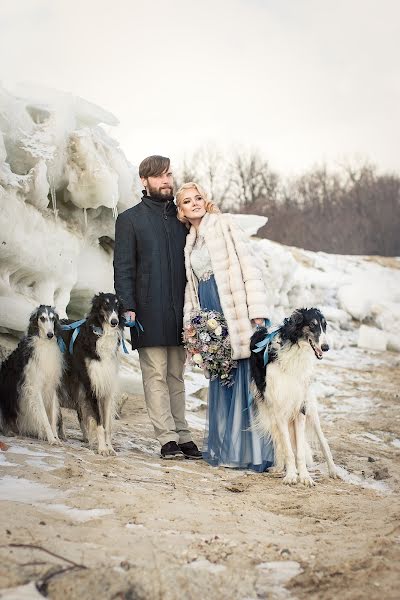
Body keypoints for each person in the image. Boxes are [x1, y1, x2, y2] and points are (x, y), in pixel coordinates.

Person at [176, 182, 274, 472]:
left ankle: (253, 453)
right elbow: (190, 291)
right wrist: (193, 330)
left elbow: (249, 267)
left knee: (246, 380)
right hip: (210, 320)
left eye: (198, 198)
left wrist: (257, 313)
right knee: (224, 378)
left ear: (206, 201)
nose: (194, 203)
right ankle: (230, 450)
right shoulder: (190, 241)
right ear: (180, 211)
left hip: (235, 312)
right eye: (187, 201)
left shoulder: (224, 225)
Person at [113, 156, 202, 460]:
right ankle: (166, 438)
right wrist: (128, 306)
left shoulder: (181, 219)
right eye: (159, 177)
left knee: (176, 376)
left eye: (169, 175)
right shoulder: (130, 220)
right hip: (148, 310)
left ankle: (183, 434)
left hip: (180, 309)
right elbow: (123, 267)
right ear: (144, 181)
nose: (166, 181)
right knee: (155, 375)